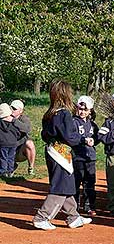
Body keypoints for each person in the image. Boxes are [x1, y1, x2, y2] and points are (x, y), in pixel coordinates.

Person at [32, 80, 92, 230]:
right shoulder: (64, 114)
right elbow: (70, 137)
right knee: (60, 186)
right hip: (60, 154)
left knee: (67, 184)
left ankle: (73, 217)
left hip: (52, 151)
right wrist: (83, 139)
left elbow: (44, 134)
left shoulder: (49, 113)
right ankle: (42, 217)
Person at [72, 96, 99, 217]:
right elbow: (72, 137)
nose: (82, 112)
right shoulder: (73, 122)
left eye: (85, 110)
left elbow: (97, 137)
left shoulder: (93, 124)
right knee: (76, 183)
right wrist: (83, 140)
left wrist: (94, 140)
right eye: (80, 109)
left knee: (90, 183)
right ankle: (74, 207)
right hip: (78, 157)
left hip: (90, 158)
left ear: (90, 111)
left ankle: (89, 206)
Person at [10, 100, 36, 175]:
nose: (12, 110)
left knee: (30, 143)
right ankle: (11, 166)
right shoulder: (5, 117)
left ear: (21, 111)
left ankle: (31, 168)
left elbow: (27, 129)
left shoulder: (24, 119)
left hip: (20, 151)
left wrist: (13, 121)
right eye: (10, 108)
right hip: (8, 150)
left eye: (14, 109)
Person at [0, 103, 20, 178]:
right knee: (11, 157)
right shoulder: (13, 123)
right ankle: (10, 171)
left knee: (3, 157)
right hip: (13, 143)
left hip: (3, 143)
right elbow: (18, 133)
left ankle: (3, 171)